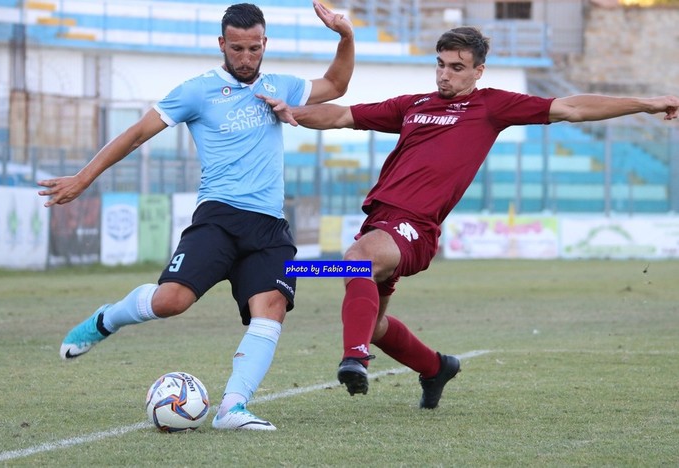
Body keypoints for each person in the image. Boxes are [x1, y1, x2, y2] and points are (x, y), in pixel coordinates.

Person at [261, 26, 679, 408]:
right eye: (441, 65)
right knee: (372, 319)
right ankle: (436, 367)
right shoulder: (413, 106)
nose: (445, 75)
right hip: (382, 221)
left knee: (354, 261)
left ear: (478, 71)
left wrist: (645, 104)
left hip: (415, 227)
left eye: (457, 68)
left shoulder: (491, 106)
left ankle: (354, 359)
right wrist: (289, 111)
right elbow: (340, 115)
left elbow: (570, 107)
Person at [37, 1, 354, 431]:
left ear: (265, 45)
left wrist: (345, 36)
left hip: (268, 225)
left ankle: (232, 408)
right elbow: (135, 135)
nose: (246, 58)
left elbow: (336, 84)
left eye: (254, 49)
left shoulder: (281, 85)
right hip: (219, 217)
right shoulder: (196, 90)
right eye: (238, 48)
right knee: (172, 302)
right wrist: (83, 178)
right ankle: (105, 319)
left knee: (271, 308)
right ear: (222, 44)